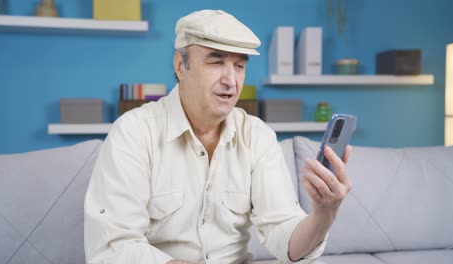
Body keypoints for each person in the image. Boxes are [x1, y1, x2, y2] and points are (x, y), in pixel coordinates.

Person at [84, 9, 352, 264]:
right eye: (216, 62)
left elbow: (284, 235)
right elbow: (114, 249)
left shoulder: (257, 136)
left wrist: (323, 214)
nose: (231, 80)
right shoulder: (134, 132)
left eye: (239, 66)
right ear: (180, 66)